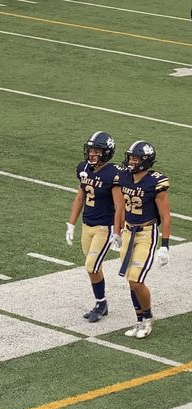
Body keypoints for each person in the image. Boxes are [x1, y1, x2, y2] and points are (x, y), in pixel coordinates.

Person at [65, 131, 124, 322]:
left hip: (103, 228)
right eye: (90, 150)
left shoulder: (113, 173)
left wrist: (117, 231)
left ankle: (101, 304)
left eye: (97, 151)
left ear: (106, 153)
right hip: (87, 225)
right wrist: (71, 224)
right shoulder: (84, 168)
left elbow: (119, 206)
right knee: (94, 268)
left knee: (91, 266)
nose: (92, 154)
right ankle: (101, 303)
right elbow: (80, 196)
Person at [118, 140, 171, 338]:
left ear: (145, 161)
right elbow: (121, 207)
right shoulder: (124, 177)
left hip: (146, 233)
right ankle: (139, 320)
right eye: (130, 157)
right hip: (127, 232)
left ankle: (148, 317)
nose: (130, 161)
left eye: (135, 158)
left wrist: (165, 246)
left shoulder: (156, 182)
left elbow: (166, 216)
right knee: (131, 282)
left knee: (136, 280)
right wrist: (117, 232)